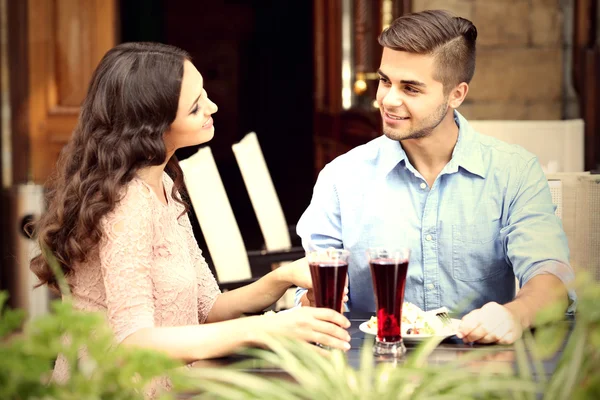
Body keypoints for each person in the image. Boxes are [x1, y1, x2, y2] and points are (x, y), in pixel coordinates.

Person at [29, 42, 351, 374]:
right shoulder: (126, 203)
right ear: (153, 125)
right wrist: (265, 329)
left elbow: (209, 307)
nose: (212, 106)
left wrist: (283, 277)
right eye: (196, 107)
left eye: (205, 95)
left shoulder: (163, 184)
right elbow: (133, 342)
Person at [295, 10, 575, 345]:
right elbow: (309, 289)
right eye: (385, 81)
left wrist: (514, 314)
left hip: (482, 367)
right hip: (371, 372)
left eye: (411, 88)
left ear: (456, 94)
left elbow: (551, 276)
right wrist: (312, 301)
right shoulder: (341, 177)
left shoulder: (514, 172)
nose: (387, 100)